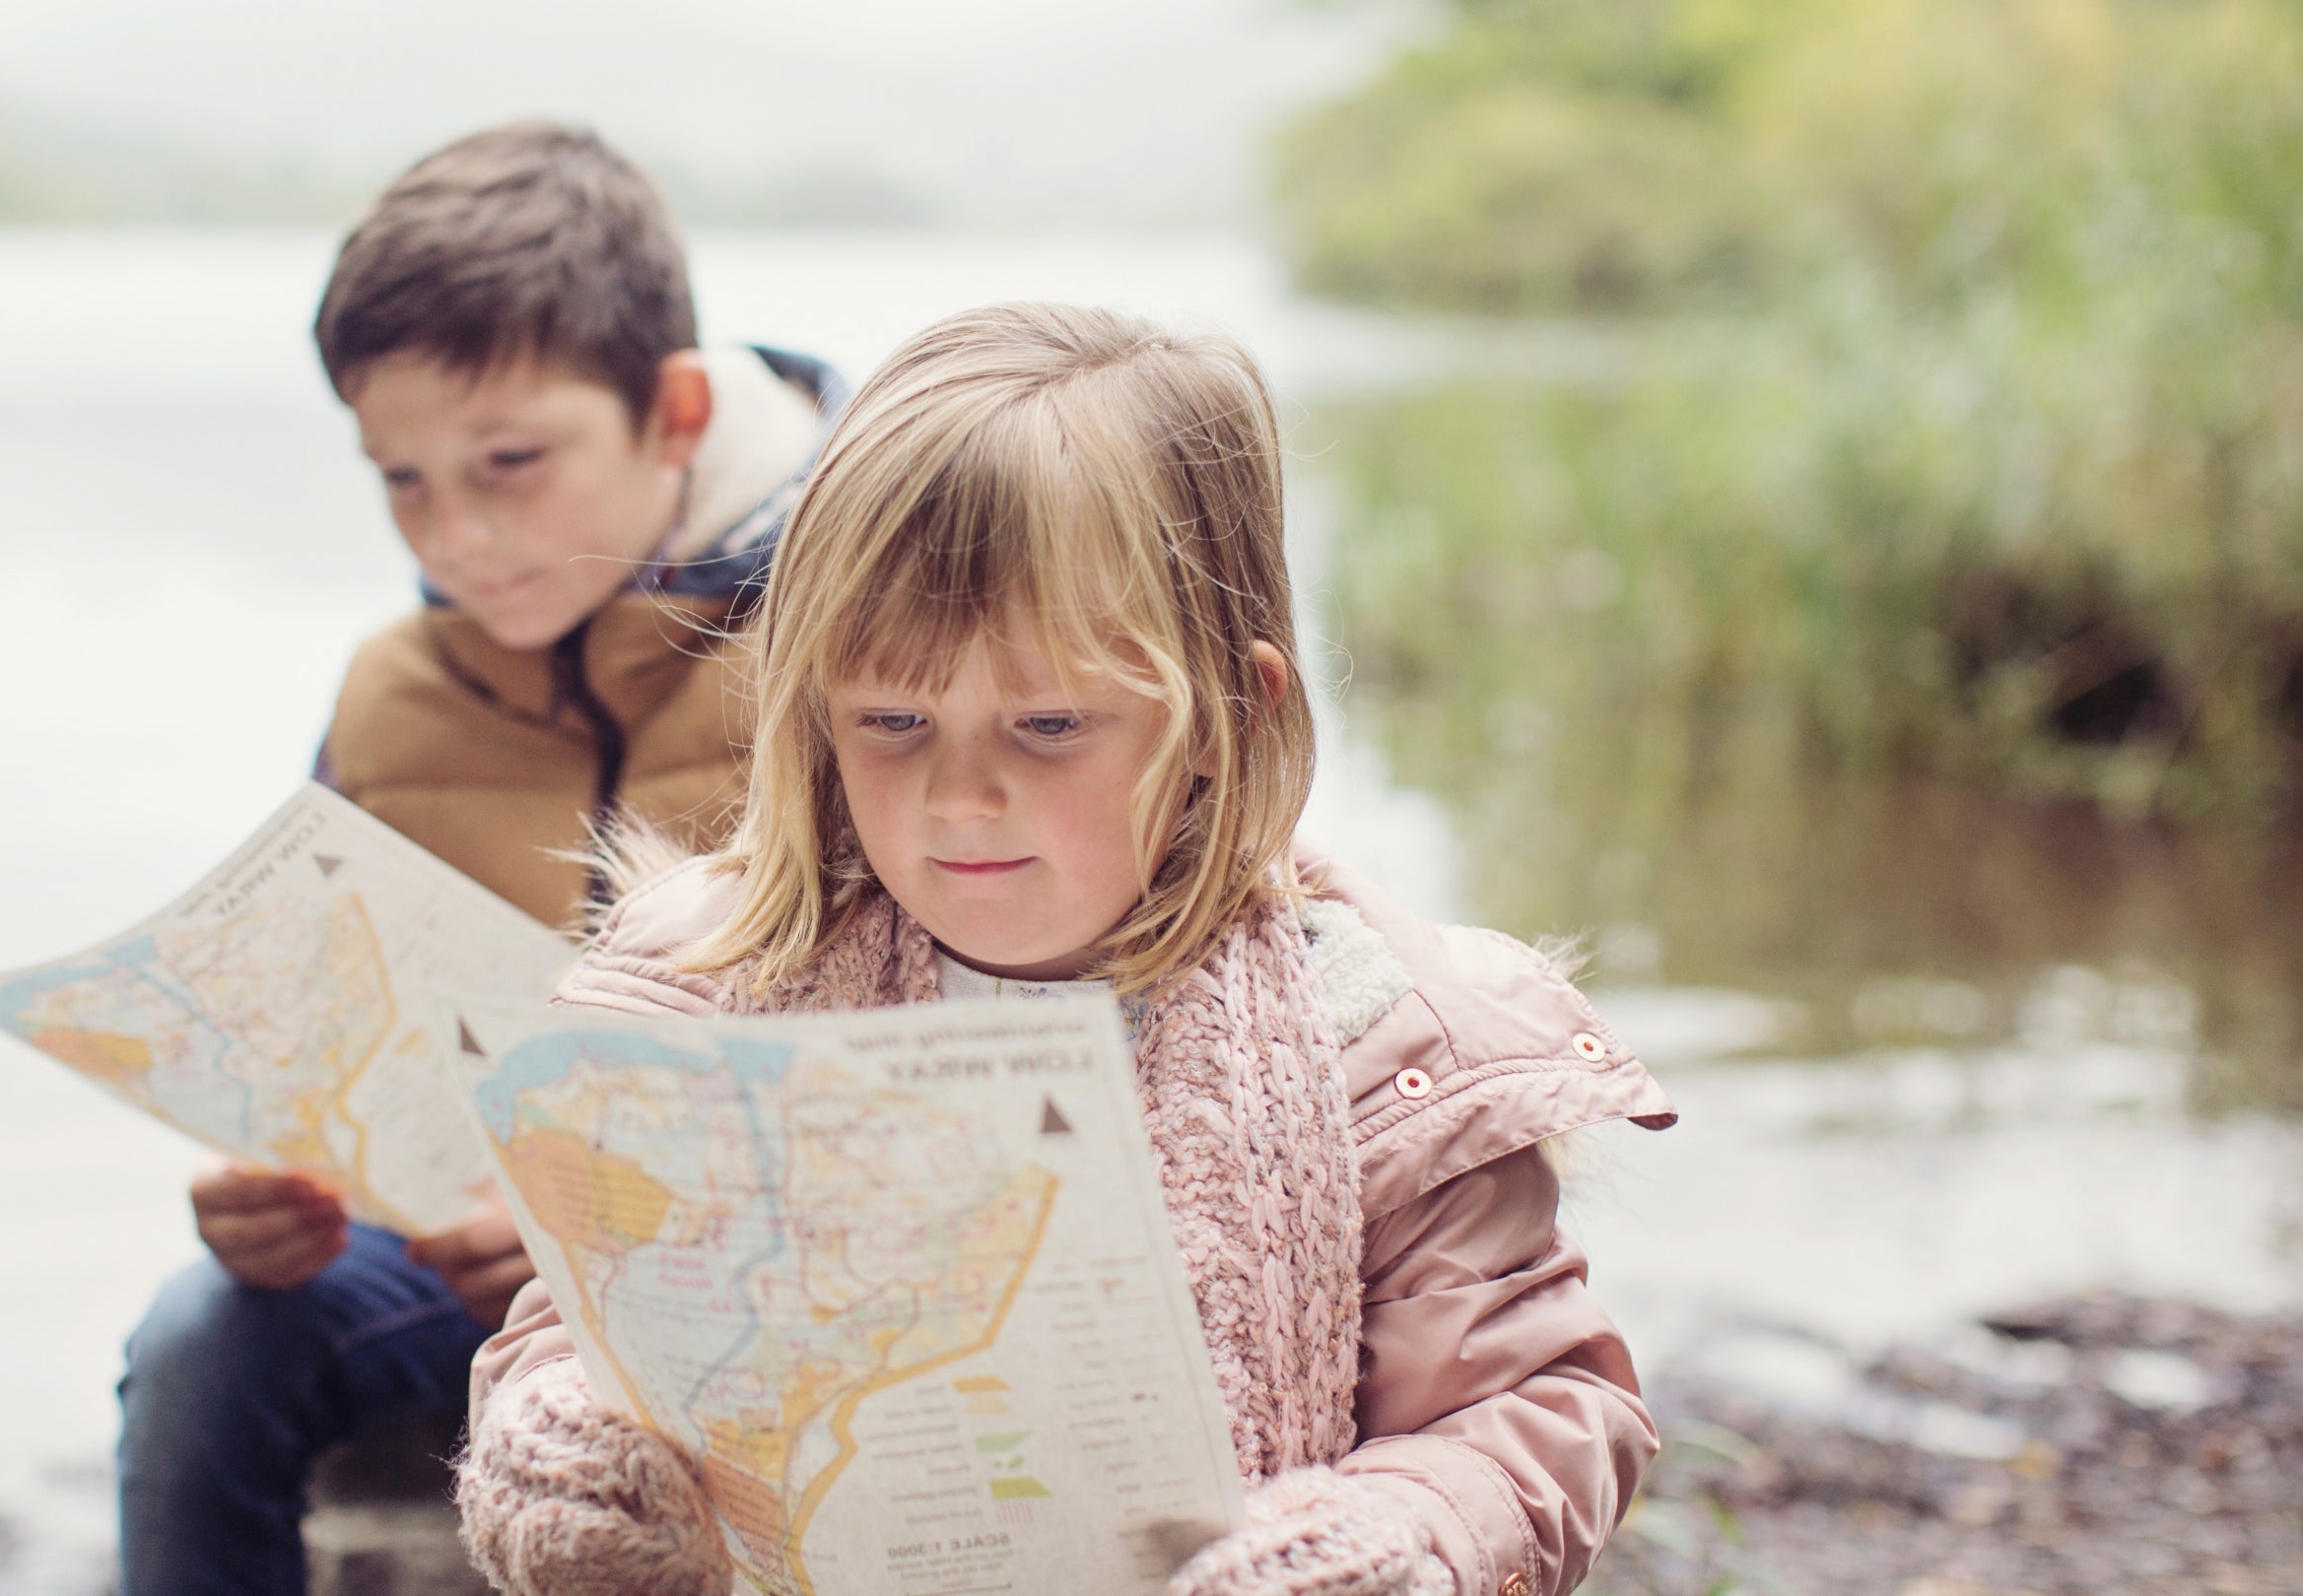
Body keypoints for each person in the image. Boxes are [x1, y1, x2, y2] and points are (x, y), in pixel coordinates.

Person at [452, 303, 1678, 1596]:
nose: (958, 794)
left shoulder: (1377, 1041)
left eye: (1046, 723)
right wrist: (568, 1440)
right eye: (892, 719)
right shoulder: (714, 1000)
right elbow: (580, 1324)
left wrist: (1401, 1540)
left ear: (1222, 713)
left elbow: (1538, 1409)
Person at [114, 121, 848, 1596]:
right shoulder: (396, 687)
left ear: (676, 411)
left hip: (780, 1276)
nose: (458, 532)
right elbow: (319, 1031)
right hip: (459, 1260)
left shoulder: (857, 643)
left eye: (511, 462)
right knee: (202, 1343)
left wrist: (612, 1236)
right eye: (403, 478)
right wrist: (273, 1187)